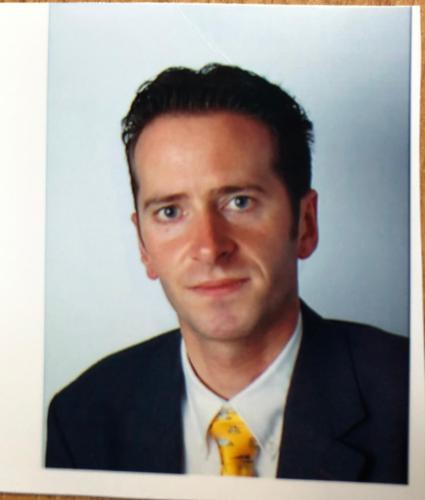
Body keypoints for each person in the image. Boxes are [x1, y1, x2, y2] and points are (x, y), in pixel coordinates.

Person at [46, 64, 408, 483]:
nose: (209, 247)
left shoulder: (408, 398)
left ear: (306, 224)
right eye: (170, 212)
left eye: (239, 202)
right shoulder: (82, 418)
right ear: (144, 246)